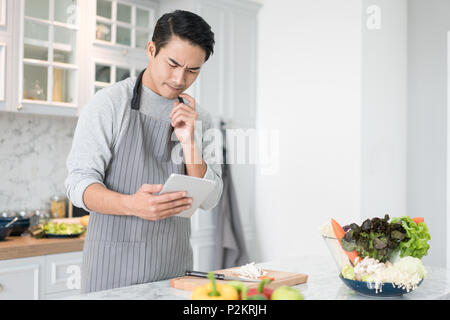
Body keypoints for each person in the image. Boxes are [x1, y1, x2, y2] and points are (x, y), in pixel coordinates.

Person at [65, 10, 223, 294]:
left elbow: (211, 198)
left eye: (193, 70)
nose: (179, 78)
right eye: (173, 64)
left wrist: (190, 142)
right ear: (152, 49)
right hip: (112, 274)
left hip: (174, 273)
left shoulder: (201, 118)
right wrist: (131, 205)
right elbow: (78, 185)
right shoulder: (111, 104)